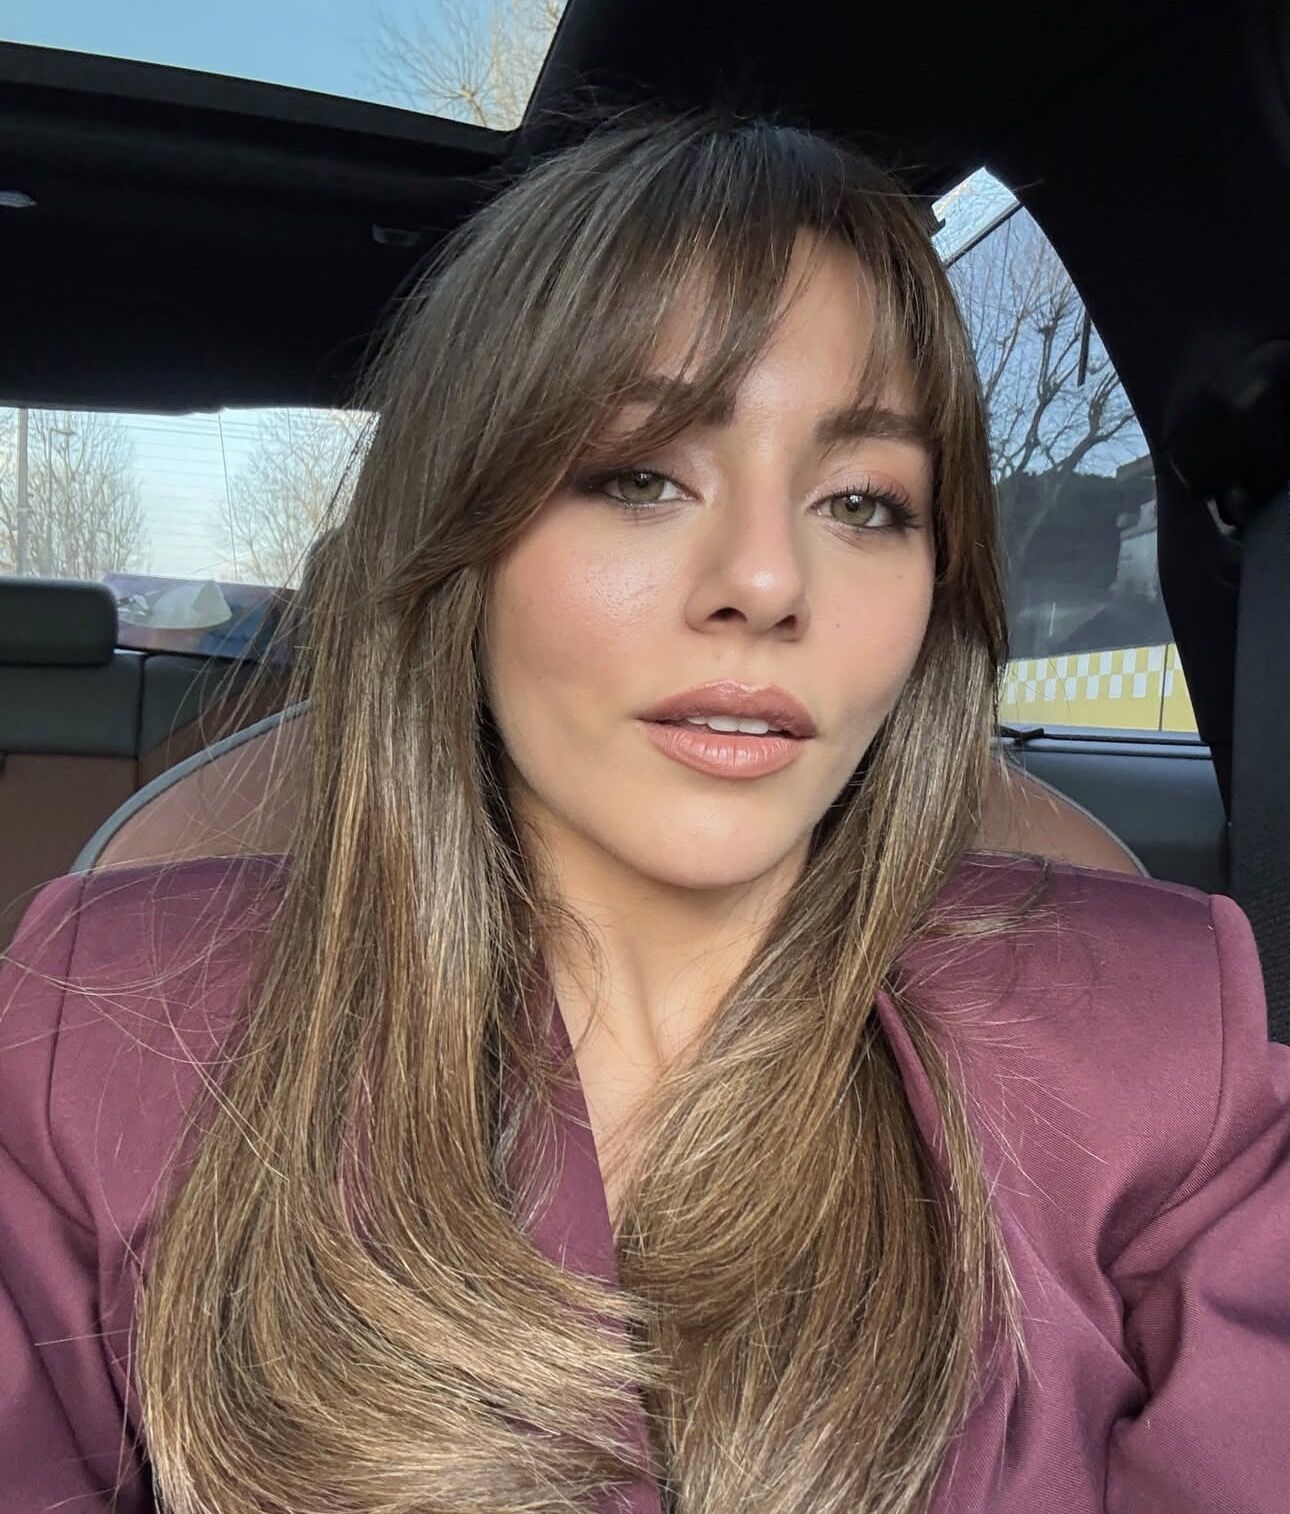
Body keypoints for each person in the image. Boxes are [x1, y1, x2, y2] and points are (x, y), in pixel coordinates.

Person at [1, 110, 1287, 1514]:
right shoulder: (95, 1037)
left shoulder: (1163, 1050)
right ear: (460, 537)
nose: (766, 581)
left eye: (864, 502)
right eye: (639, 477)